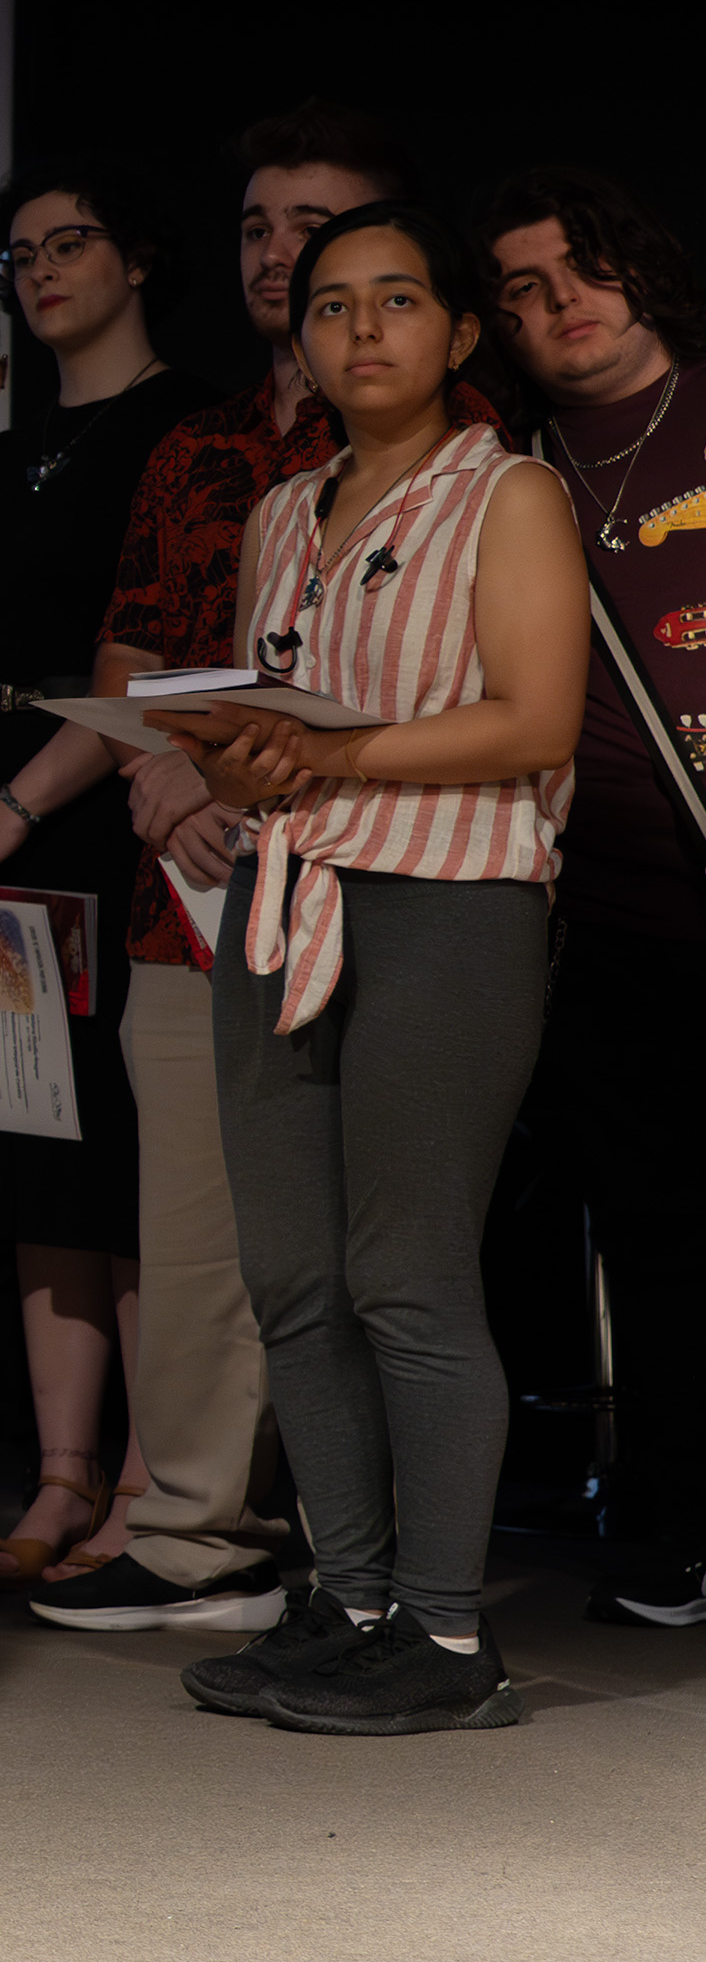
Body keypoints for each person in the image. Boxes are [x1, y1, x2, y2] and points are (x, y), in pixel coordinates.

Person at [152, 201, 583, 1734]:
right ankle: (348, 1605)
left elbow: (533, 719)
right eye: (329, 305)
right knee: (291, 1275)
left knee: (406, 1273)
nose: (358, 328)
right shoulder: (282, 510)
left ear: (457, 331)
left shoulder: (507, 491)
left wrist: (324, 752)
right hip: (282, 898)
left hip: (446, 900)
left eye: (396, 299)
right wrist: (228, 755)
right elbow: (258, 736)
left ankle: (448, 1637)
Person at [33, 103, 401, 1633]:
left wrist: (229, 767)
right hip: (178, 894)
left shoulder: (437, 443)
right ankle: (193, 1536)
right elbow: (126, 649)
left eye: (311, 223)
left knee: (364, 1245)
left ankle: (363, 1561)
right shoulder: (193, 444)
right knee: (188, 1239)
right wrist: (150, 779)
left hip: (365, 881)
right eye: (256, 224)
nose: (276, 251)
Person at [0, 165, 212, 1590]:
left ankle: (151, 1478)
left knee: (122, 1166)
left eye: (68, 243)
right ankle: (58, 1471)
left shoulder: (186, 427)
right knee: (29, 1157)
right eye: (17, 252)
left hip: (102, 817)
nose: (37, 271)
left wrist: (8, 817)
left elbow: (145, 670)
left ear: (134, 259)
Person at [472, 166, 706, 1629]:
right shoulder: (509, 478)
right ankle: (676, 1524)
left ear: (641, 268)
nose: (558, 301)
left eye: (581, 266)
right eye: (519, 287)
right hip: (613, 918)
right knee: (656, 1234)